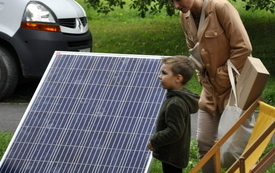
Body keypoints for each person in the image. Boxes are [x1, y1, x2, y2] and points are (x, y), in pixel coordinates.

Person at [170, 0, 252, 172]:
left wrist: (221, 76)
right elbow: (193, 51)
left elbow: (244, 47)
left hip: (234, 90)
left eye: (178, 0)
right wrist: (202, 78)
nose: (176, 5)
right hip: (209, 91)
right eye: (171, 1)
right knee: (205, 144)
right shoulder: (184, 15)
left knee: (234, 151)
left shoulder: (221, 7)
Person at [147, 56, 199, 173]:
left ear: (178, 78)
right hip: (175, 153)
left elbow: (174, 131)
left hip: (172, 155)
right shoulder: (180, 97)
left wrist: (155, 140)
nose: (159, 76)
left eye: (164, 73)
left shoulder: (176, 103)